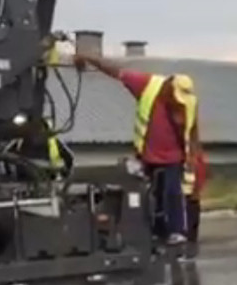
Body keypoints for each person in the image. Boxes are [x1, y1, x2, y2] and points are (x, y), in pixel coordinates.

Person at [73, 52, 201, 246]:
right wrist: (88, 57)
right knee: (146, 197)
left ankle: (176, 232)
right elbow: (116, 71)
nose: (177, 104)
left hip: (174, 158)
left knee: (172, 194)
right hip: (147, 155)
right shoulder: (147, 85)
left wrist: (193, 155)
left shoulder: (189, 101)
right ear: (168, 88)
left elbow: (192, 129)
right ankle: (152, 231)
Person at [181, 149, 208, 260]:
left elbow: (200, 173)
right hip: (186, 191)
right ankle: (190, 237)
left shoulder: (195, 157)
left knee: (192, 212)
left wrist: (197, 189)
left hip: (190, 191)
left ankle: (190, 239)